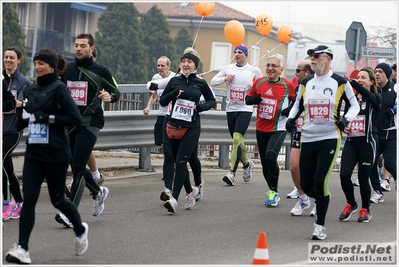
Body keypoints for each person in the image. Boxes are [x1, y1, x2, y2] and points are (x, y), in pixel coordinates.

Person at [5, 48, 89, 264]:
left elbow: (74, 118)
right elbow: (28, 113)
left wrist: (48, 118)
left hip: (57, 152)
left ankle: (80, 229)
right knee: (29, 200)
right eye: (36, 63)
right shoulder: (32, 88)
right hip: (34, 151)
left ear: (51, 66)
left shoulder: (59, 88)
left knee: (58, 199)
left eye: (42, 63)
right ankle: (22, 248)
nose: (38, 66)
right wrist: (22, 121)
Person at [286, 45, 360, 240]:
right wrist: (290, 119)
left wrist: (346, 119)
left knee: (320, 181)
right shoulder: (307, 82)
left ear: (328, 59)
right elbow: (297, 104)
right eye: (311, 56)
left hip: (329, 138)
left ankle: (320, 226)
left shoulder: (340, 82)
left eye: (317, 56)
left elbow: (355, 105)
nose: (313, 59)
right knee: (308, 184)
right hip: (308, 137)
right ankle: (322, 197)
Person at [56, 33, 120, 228]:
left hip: (90, 122)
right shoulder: (67, 69)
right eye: (76, 45)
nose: (78, 48)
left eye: (82, 45)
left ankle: (70, 214)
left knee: (77, 166)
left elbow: (116, 91)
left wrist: (110, 97)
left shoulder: (101, 70)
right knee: (71, 162)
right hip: (70, 122)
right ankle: (99, 193)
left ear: (91, 48)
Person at [159, 47, 216, 213]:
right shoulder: (174, 81)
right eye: (183, 61)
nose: (185, 64)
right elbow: (162, 101)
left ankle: (174, 200)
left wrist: (201, 107)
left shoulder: (200, 82)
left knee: (182, 162)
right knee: (178, 162)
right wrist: (174, 94)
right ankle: (190, 192)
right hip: (174, 125)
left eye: (189, 62)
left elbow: (212, 101)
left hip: (191, 127)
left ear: (195, 65)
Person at [245, 54, 295, 207]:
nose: (270, 68)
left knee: (271, 157)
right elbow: (247, 99)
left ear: (281, 69)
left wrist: (289, 109)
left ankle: (274, 191)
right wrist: (254, 100)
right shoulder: (259, 82)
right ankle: (272, 190)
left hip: (278, 128)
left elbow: (298, 101)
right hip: (261, 128)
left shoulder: (287, 85)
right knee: (265, 163)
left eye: (274, 66)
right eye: (268, 65)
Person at [210, 44, 262, 186]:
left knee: (237, 138)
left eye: (240, 52)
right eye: (235, 52)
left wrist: (254, 87)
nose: (237, 54)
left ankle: (231, 172)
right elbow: (213, 82)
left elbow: (263, 86)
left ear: (246, 55)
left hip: (245, 108)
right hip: (231, 109)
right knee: (237, 140)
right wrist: (225, 78)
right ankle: (246, 164)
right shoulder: (228, 68)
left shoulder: (254, 70)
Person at [338, 67, 381, 223]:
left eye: (363, 77)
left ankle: (365, 209)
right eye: (358, 77)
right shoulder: (352, 100)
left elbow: (373, 98)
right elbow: (344, 117)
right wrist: (343, 126)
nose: (360, 79)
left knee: (363, 178)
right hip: (352, 142)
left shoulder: (375, 98)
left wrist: (355, 84)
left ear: (371, 81)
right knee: (344, 175)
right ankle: (351, 203)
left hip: (368, 143)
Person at [2, 46, 32, 221]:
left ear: (19, 60)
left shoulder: (25, 83)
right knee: (6, 167)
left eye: (12, 58)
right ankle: (19, 203)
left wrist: (23, 104)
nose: (8, 60)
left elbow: (36, 102)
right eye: (6, 57)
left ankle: (7, 202)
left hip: (13, 130)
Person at [287, 59, 317, 216]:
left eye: (297, 71)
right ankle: (303, 198)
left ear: (307, 73)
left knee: (313, 169)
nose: (295, 74)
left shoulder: (319, 85)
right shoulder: (299, 87)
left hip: (315, 132)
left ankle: (320, 198)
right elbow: (296, 106)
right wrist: (290, 117)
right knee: (294, 166)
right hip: (299, 129)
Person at [369, 62, 397, 203]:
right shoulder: (372, 91)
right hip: (375, 133)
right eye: (376, 71)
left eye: (381, 71)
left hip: (392, 133)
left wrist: (394, 110)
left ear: (387, 74)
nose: (378, 74)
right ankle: (378, 192)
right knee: (370, 162)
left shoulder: (395, 89)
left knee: (391, 164)